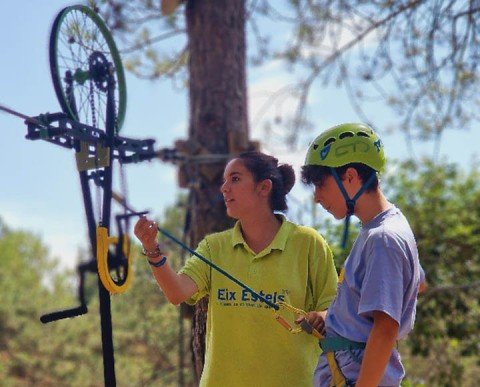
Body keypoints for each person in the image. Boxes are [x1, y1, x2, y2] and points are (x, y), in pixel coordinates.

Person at [134, 151, 338, 387]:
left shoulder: (308, 243)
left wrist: (320, 317)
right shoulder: (214, 246)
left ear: (264, 188)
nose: (224, 188)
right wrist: (151, 248)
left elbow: (333, 308)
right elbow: (177, 292)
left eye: (235, 179)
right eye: (224, 180)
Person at [301, 123, 423, 386]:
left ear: (350, 177)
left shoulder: (383, 238)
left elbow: (385, 328)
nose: (317, 197)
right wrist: (332, 319)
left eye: (320, 185)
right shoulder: (379, 230)